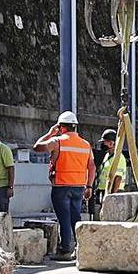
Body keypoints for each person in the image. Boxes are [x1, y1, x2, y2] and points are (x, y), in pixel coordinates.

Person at [33, 111, 94, 261]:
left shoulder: (57, 141)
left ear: (61, 127)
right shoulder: (86, 145)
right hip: (79, 186)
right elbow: (92, 166)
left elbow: (36, 147)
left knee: (64, 219)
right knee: (76, 218)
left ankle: (65, 250)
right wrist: (89, 186)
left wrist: (49, 133)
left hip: (61, 186)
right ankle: (82, 248)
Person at [97, 128, 128, 195]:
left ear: (111, 143)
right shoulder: (108, 155)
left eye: (104, 142)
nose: (102, 144)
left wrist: (112, 196)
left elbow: (118, 178)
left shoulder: (118, 158)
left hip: (113, 192)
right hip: (105, 191)